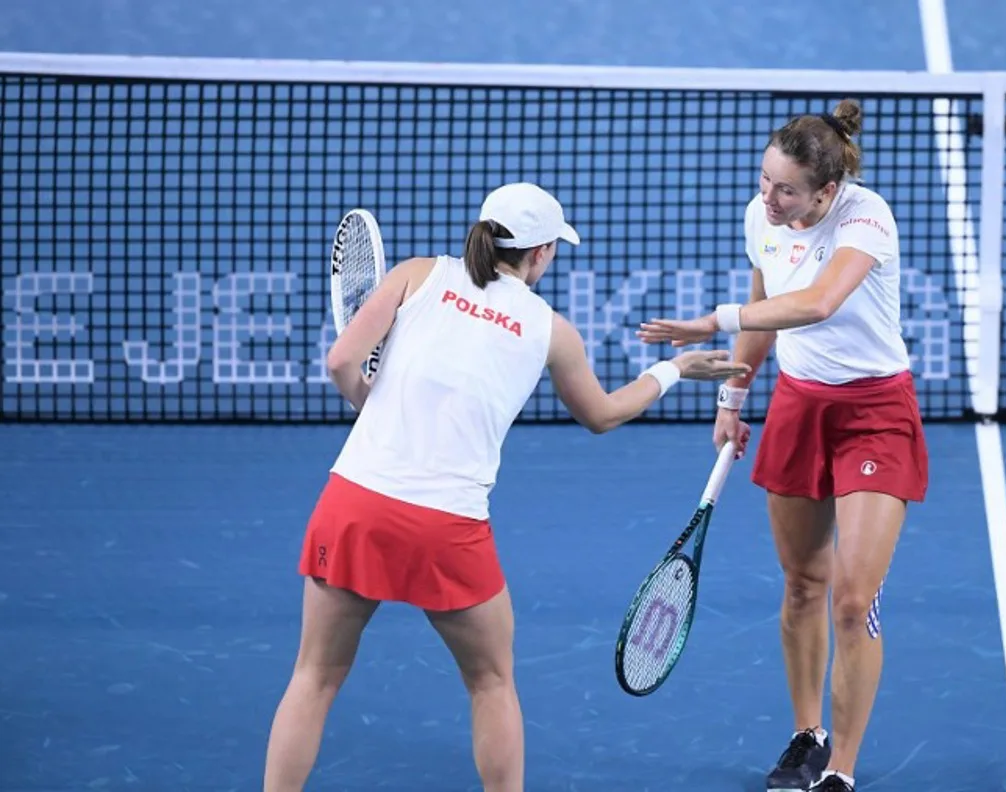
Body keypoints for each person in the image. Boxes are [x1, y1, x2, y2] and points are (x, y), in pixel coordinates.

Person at [261, 181, 749, 792]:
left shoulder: (417, 274)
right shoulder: (551, 330)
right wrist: (673, 367)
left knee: (314, 676)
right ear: (541, 253)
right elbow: (601, 414)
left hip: (356, 502)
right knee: (491, 682)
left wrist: (369, 400)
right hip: (446, 527)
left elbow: (340, 363)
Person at [637, 100, 929, 792]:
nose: (768, 198)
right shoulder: (759, 219)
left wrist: (711, 321)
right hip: (799, 407)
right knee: (803, 584)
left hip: (874, 412)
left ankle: (841, 770)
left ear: (826, 192)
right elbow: (766, 309)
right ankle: (807, 736)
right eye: (764, 180)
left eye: (786, 189)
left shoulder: (865, 217)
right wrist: (733, 399)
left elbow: (819, 302)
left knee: (853, 599)